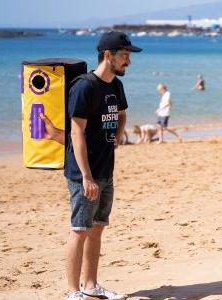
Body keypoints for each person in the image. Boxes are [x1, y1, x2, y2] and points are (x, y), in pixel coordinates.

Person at [64, 31, 141, 300]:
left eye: (128, 56)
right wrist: (86, 176)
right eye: (124, 56)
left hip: (105, 170)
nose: (128, 62)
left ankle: (91, 285)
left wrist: (117, 137)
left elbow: (121, 114)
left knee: (97, 228)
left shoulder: (115, 86)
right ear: (108, 56)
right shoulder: (85, 86)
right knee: (80, 230)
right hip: (84, 174)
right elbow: (76, 133)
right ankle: (74, 292)